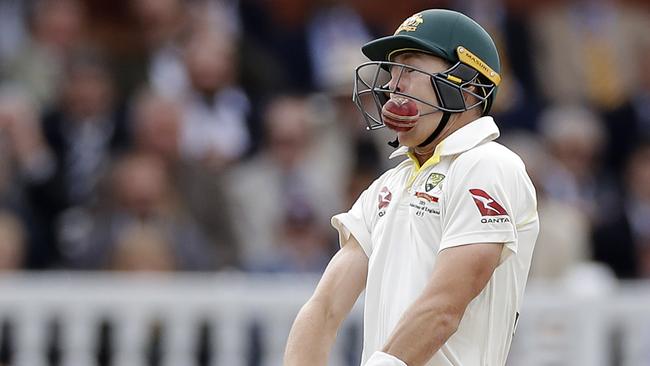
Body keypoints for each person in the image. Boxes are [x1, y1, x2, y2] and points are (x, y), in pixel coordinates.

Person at [284, 9, 539, 366]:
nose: (392, 84)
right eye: (392, 70)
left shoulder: (490, 165)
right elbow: (324, 309)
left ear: (467, 87)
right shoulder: (387, 184)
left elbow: (444, 308)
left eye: (411, 68)